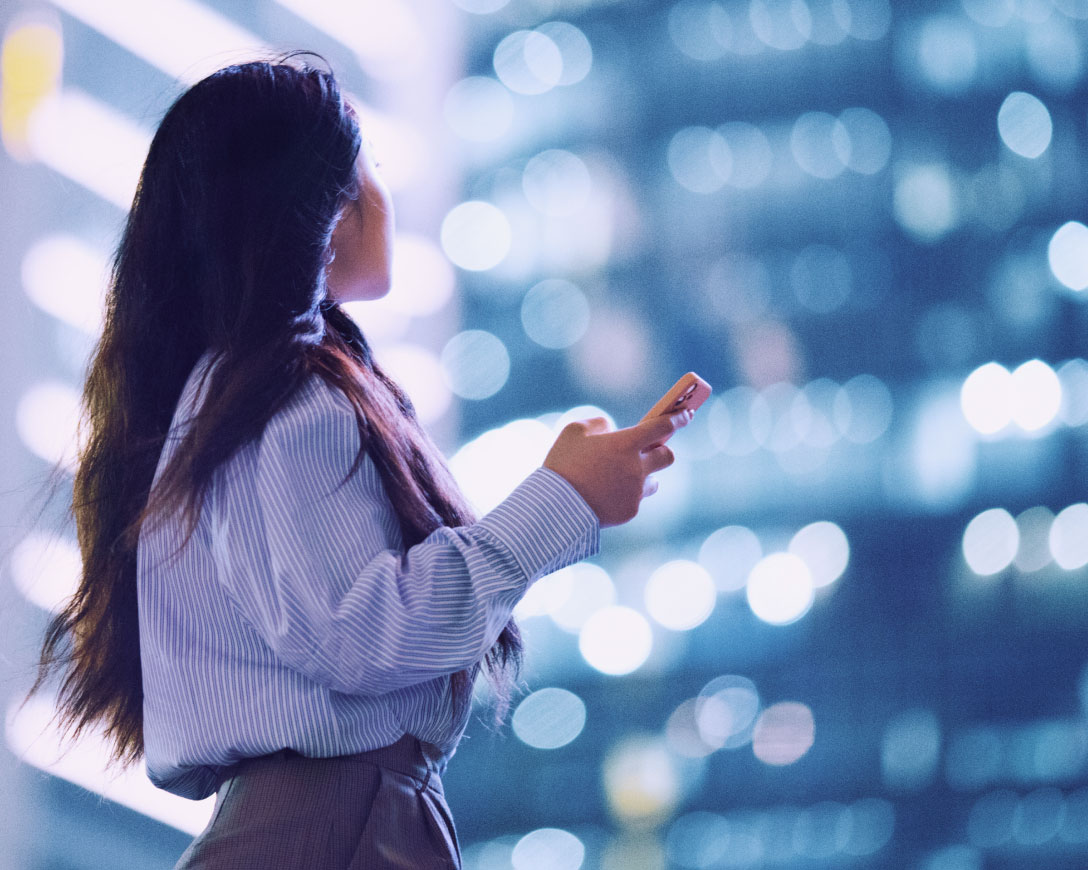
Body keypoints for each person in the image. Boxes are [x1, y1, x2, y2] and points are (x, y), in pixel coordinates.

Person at [25, 52, 691, 869]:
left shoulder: (222, 399)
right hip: (344, 823)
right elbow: (366, 632)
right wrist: (565, 499)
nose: (382, 193)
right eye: (365, 168)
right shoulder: (289, 398)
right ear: (329, 212)